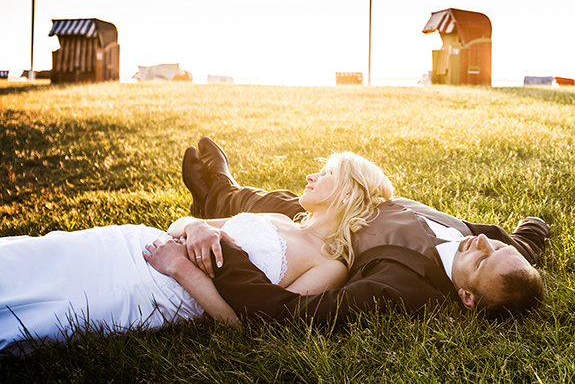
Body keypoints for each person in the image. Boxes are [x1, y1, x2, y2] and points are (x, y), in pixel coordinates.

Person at [0, 150, 391, 355]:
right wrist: (198, 225)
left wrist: (181, 270)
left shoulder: (329, 265)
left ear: (348, 193)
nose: (311, 175)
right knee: (38, 255)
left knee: (38, 300)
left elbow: (255, 328)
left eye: (326, 173)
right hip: (135, 242)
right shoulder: (277, 214)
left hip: (157, 287)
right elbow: (177, 226)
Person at [181, 138, 549, 325]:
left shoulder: (403, 289)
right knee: (280, 198)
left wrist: (225, 258)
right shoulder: (493, 249)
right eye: (499, 246)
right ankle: (220, 190)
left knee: (278, 205)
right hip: (353, 197)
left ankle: (215, 193)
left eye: (484, 258)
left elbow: (295, 315)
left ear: (466, 298)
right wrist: (535, 229)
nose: (483, 242)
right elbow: (524, 246)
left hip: (326, 233)